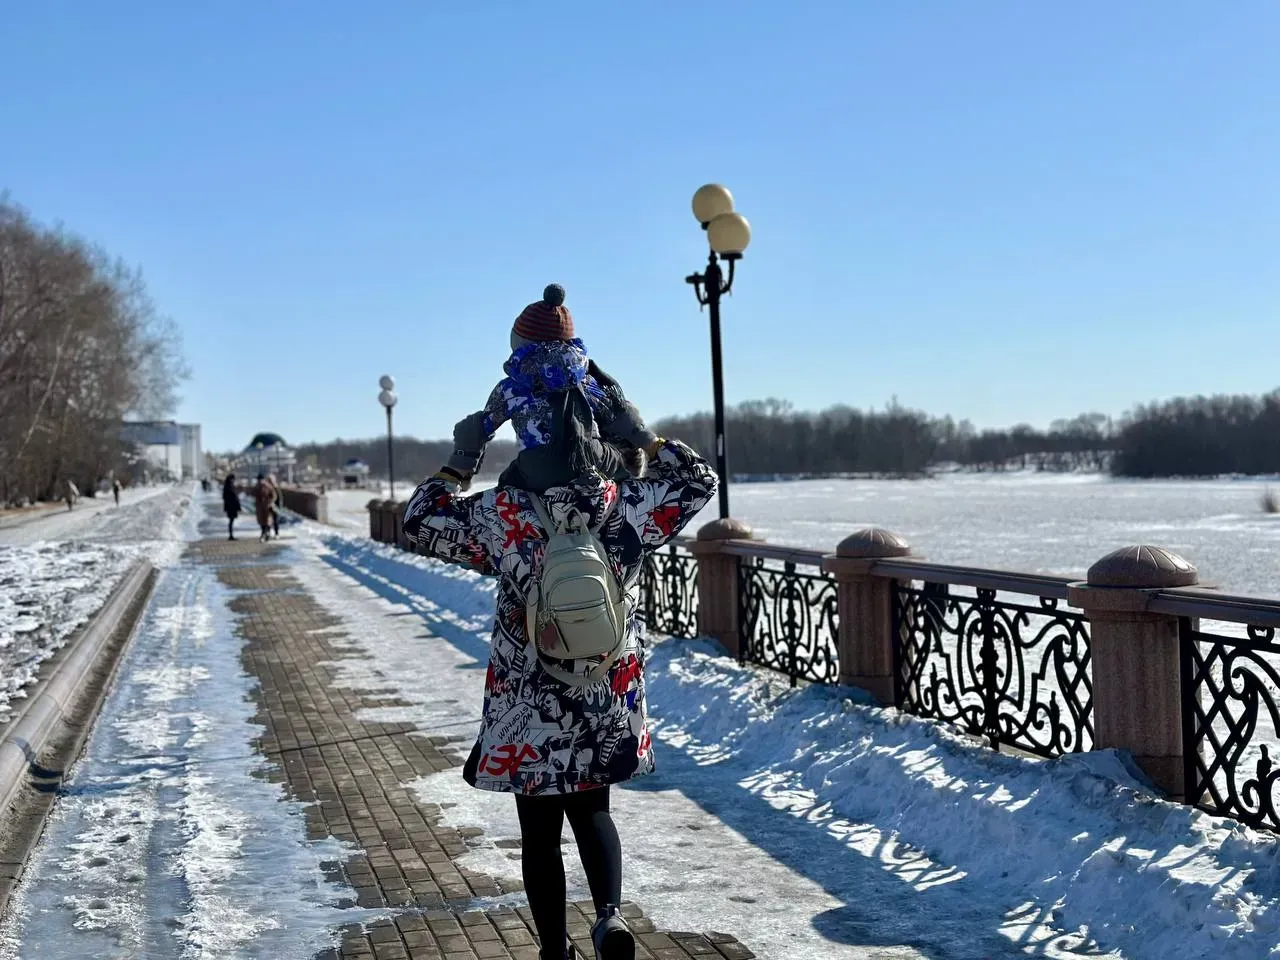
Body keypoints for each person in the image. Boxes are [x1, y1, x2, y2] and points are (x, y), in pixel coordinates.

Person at [402, 409, 717, 960]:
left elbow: (420, 521)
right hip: (604, 690)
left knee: (539, 833)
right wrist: (641, 434)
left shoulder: (503, 514)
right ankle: (609, 917)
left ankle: (554, 951)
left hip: (528, 695)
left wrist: (462, 458)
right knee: (595, 809)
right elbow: (699, 482)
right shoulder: (626, 506)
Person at [449, 285, 652, 495]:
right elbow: (617, 414)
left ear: (519, 342)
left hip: (537, 466)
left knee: (508, 484)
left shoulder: (511, 388)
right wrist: (644, 442)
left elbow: (480, 428)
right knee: (617, 457)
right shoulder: (586, 380)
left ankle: (517, 513)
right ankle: (624, 495)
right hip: (590, 457)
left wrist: (461, 466)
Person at [253, 473, 277, 542]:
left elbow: (273, 495)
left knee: (266, 521)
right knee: (263, 521)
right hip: (261, 507)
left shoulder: (267, 486)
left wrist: (270, 502)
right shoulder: (258, 487)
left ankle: (265, 533)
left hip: (266, 507)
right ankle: (265, 533)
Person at [223, 474, 242, 540]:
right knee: (231, 521)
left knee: (231, 520)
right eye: (233, 479)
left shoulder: (228, 486)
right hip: (231, 507)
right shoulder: (229, 486)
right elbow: (233, 496)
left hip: (230, 506)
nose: (234, 480)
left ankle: (231, 535)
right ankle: (231, 535)